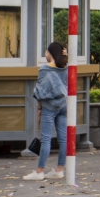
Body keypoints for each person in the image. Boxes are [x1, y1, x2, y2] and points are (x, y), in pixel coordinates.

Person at [24, 43, 69, 180]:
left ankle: (39, 171)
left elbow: (40, 91)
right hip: (64, 106)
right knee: (63, 139)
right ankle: (59, 169)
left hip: (49, 107)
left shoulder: (44, 69)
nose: (45, 52)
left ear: (51, 53)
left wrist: (39, 108)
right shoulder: (66, 68)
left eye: (46, 50)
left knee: (46, 140)